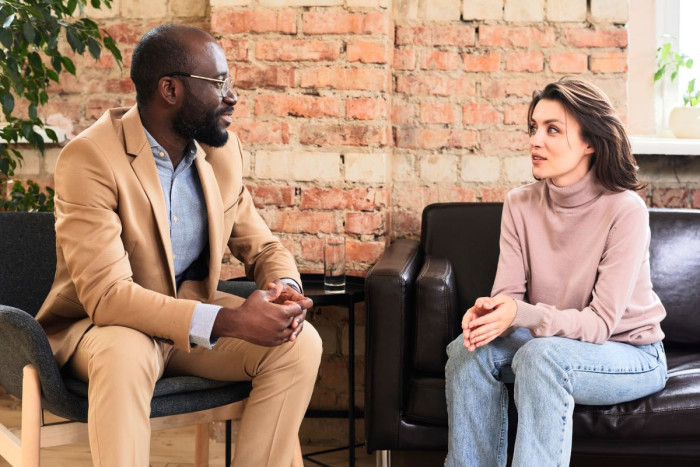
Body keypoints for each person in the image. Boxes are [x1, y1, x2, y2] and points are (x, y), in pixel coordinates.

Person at [35, 24, 322, 467]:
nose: (232, 96)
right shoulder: (90, 157)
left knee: (298, 343)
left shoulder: (220, 154)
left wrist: (283, 288)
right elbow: (108, 298)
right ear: (170, 89)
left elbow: (263, 246)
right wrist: (231, 321)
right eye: (218, 83)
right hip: (107, 327)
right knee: (124, 353)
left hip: (191, 323)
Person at [444, 77, 668, 467]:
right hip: (550, 345)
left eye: (552, 130)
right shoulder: (520, 203)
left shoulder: (625, 210)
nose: (535, 140)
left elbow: (599, 325)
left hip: (630, 352)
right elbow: (509, 298)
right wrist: (490, 316)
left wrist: (520, 315)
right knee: (468, 351)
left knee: (540, 357)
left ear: (590, 142)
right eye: (533, 127)